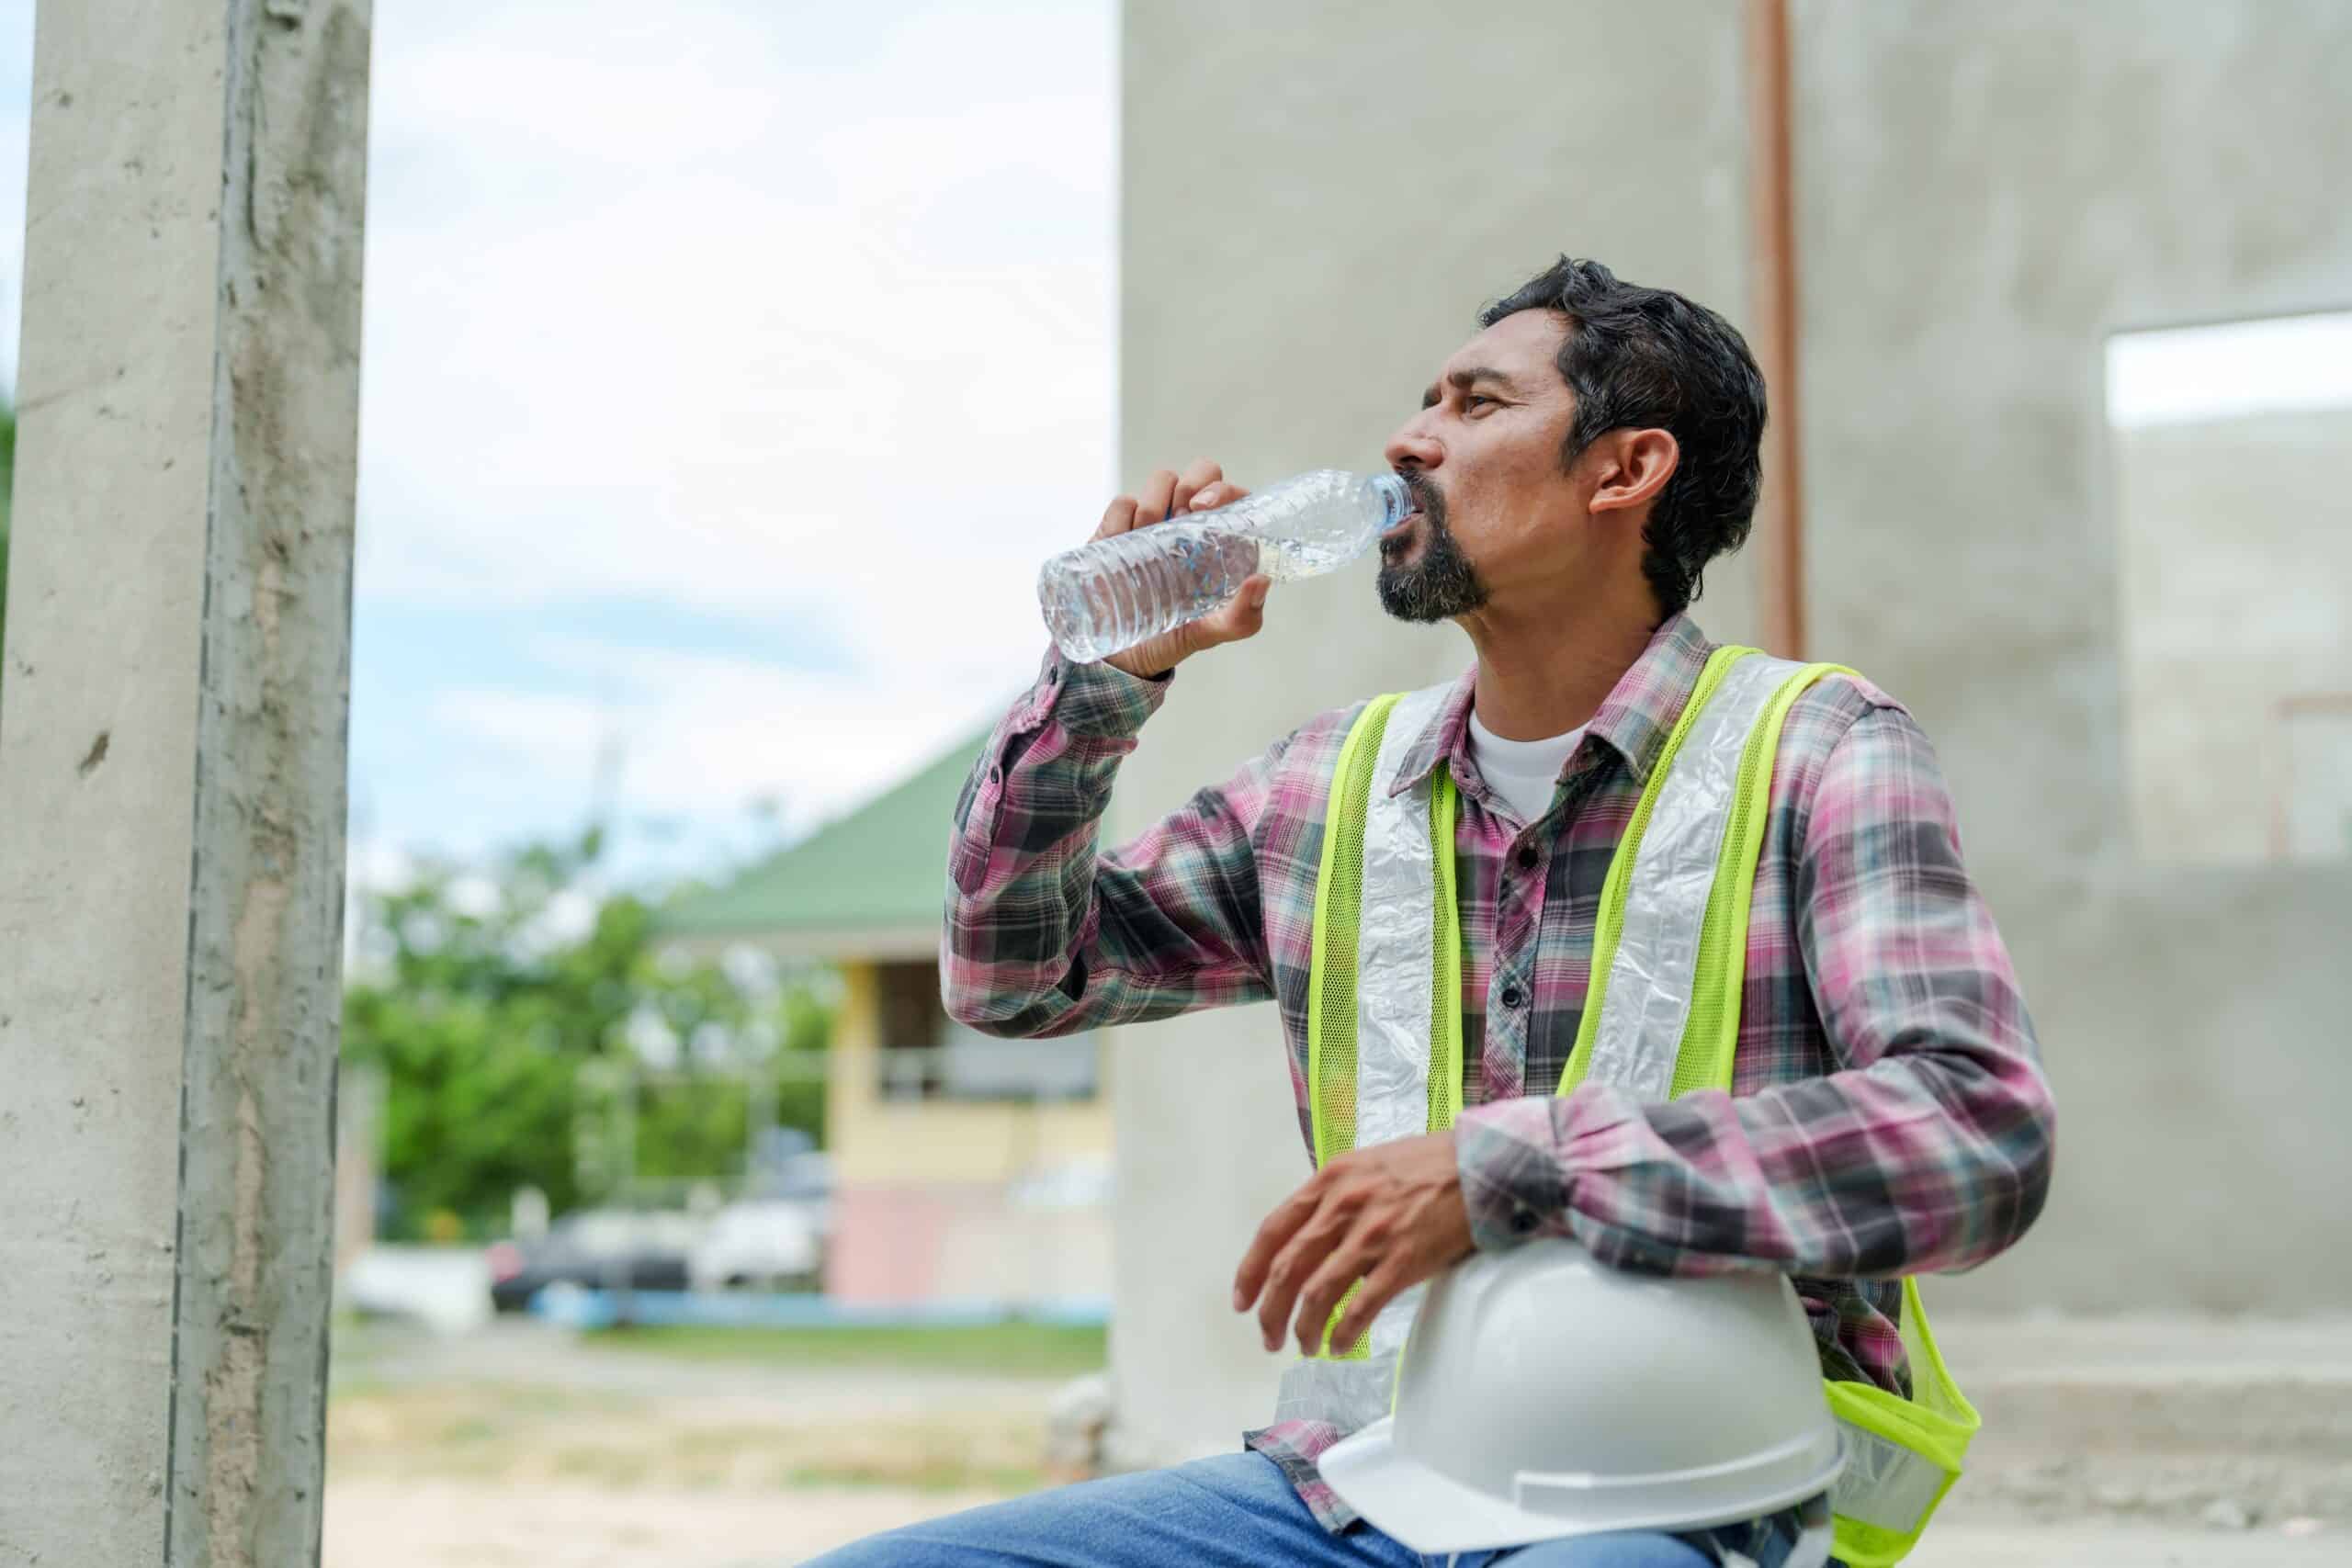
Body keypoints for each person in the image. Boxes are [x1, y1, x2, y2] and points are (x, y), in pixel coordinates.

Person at [809, 256, 2055, 1567]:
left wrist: (1519, 1167)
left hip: (1686, 1493)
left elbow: (1978, 1138)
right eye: (1424, 403)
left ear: (1623, 471)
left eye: (1473, 405)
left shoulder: (1820, 752)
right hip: (1367, 1490)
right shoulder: (1323, 789)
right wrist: (1099, 687)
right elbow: (1014, 977)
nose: (1408, 440)